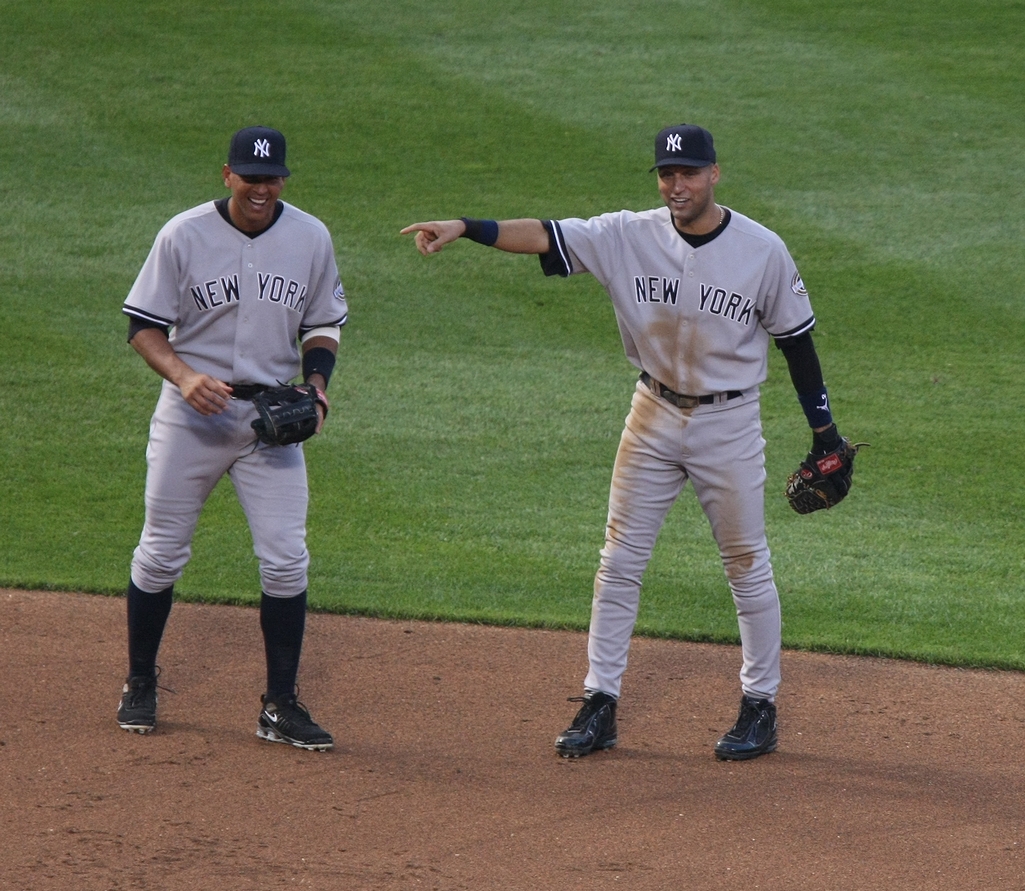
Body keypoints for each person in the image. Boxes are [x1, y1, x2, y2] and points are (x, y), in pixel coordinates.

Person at [401, 123, 849, 761]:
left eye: (689, 173)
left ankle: (760, 706)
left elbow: (797, 342)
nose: (676, 184)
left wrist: (824, 431)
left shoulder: (762, 250)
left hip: (729, 422)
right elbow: (545, 234)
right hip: (653, 412)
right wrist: (466, 227)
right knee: (619, 560)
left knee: (746, 565)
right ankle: (600, 702)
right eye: (667, 174)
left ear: (714, 173)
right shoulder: (626, 234)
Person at [118, 126, 348, 751]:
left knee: (286, 560)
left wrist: (318, 385)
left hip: (270, 422)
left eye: (272, 178)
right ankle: (140, 681)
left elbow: (323, 321)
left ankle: (280, 705)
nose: (261, 188)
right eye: (251, 177)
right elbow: (142, 325)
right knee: (161, 553)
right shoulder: (183, 234)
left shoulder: (310, 236)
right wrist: (185, 376)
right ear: (228, 175)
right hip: (191, 419)